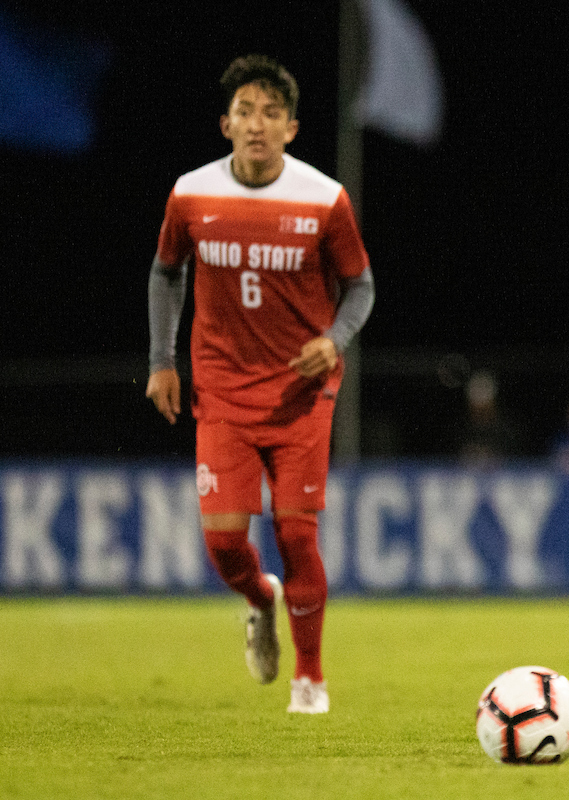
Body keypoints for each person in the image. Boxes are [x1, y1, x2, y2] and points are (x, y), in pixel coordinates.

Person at [145, 54, 374, 713]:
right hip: (221, 390)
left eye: (271, 113)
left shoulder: (323, 198)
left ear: (291, 129)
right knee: (223, 544)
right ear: (226, 124)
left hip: (302, 391)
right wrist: (162, 359)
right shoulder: (191, 193)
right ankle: (259, 596)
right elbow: (166, 271)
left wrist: (334, 340)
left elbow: (360, 286)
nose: (256, 124)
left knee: (296, 536)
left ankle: (310, 678)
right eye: (245, 111)